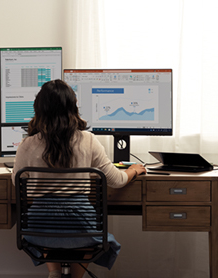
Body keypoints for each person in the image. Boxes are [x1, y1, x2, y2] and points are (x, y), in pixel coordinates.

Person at [12, 80, 146, 278]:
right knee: (79, 233)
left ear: (39, 108)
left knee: (51, 225)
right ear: (73, 107)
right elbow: (116, 180)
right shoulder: (88, 140)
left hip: (40, 227)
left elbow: (17, 182)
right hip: (79, 226)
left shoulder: (27, 144)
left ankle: (55, 272)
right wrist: (134, 170)